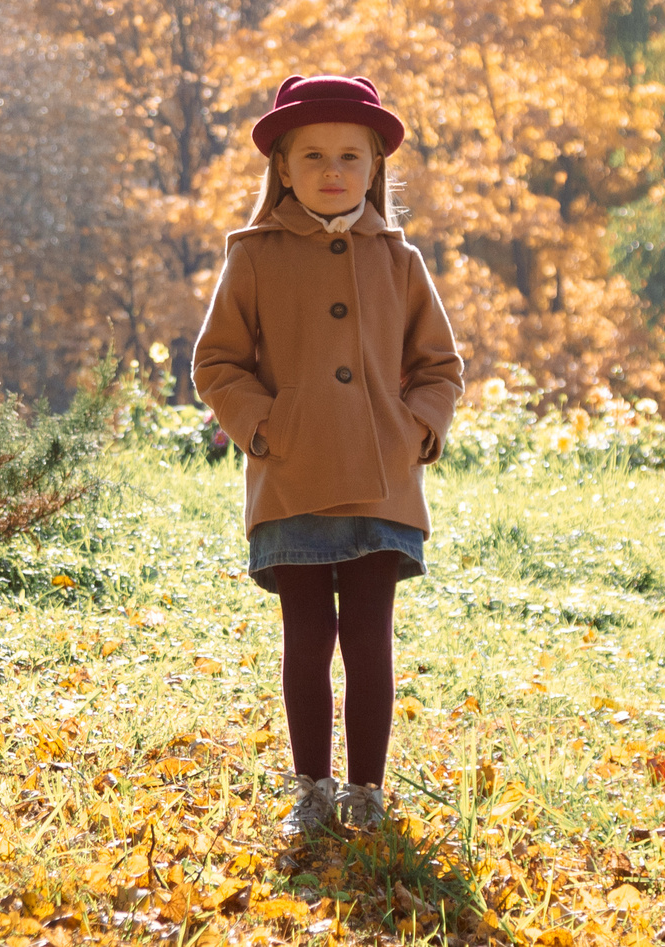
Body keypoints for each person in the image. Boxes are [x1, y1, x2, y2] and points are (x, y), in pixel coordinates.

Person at [192, 74, 465, 836]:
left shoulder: (400, 261)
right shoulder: (253, 256)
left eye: (350, 154)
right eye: (313, 155)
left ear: (376, 165)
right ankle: (311, 787)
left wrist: (416, 429)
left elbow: (441, 365)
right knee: (308, 640)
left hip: (383, 485)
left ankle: (366, 790)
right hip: (293, 479)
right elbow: (216, 364)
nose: (333, 170)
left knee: (370, 640)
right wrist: (265, 428)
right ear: (282, 165)